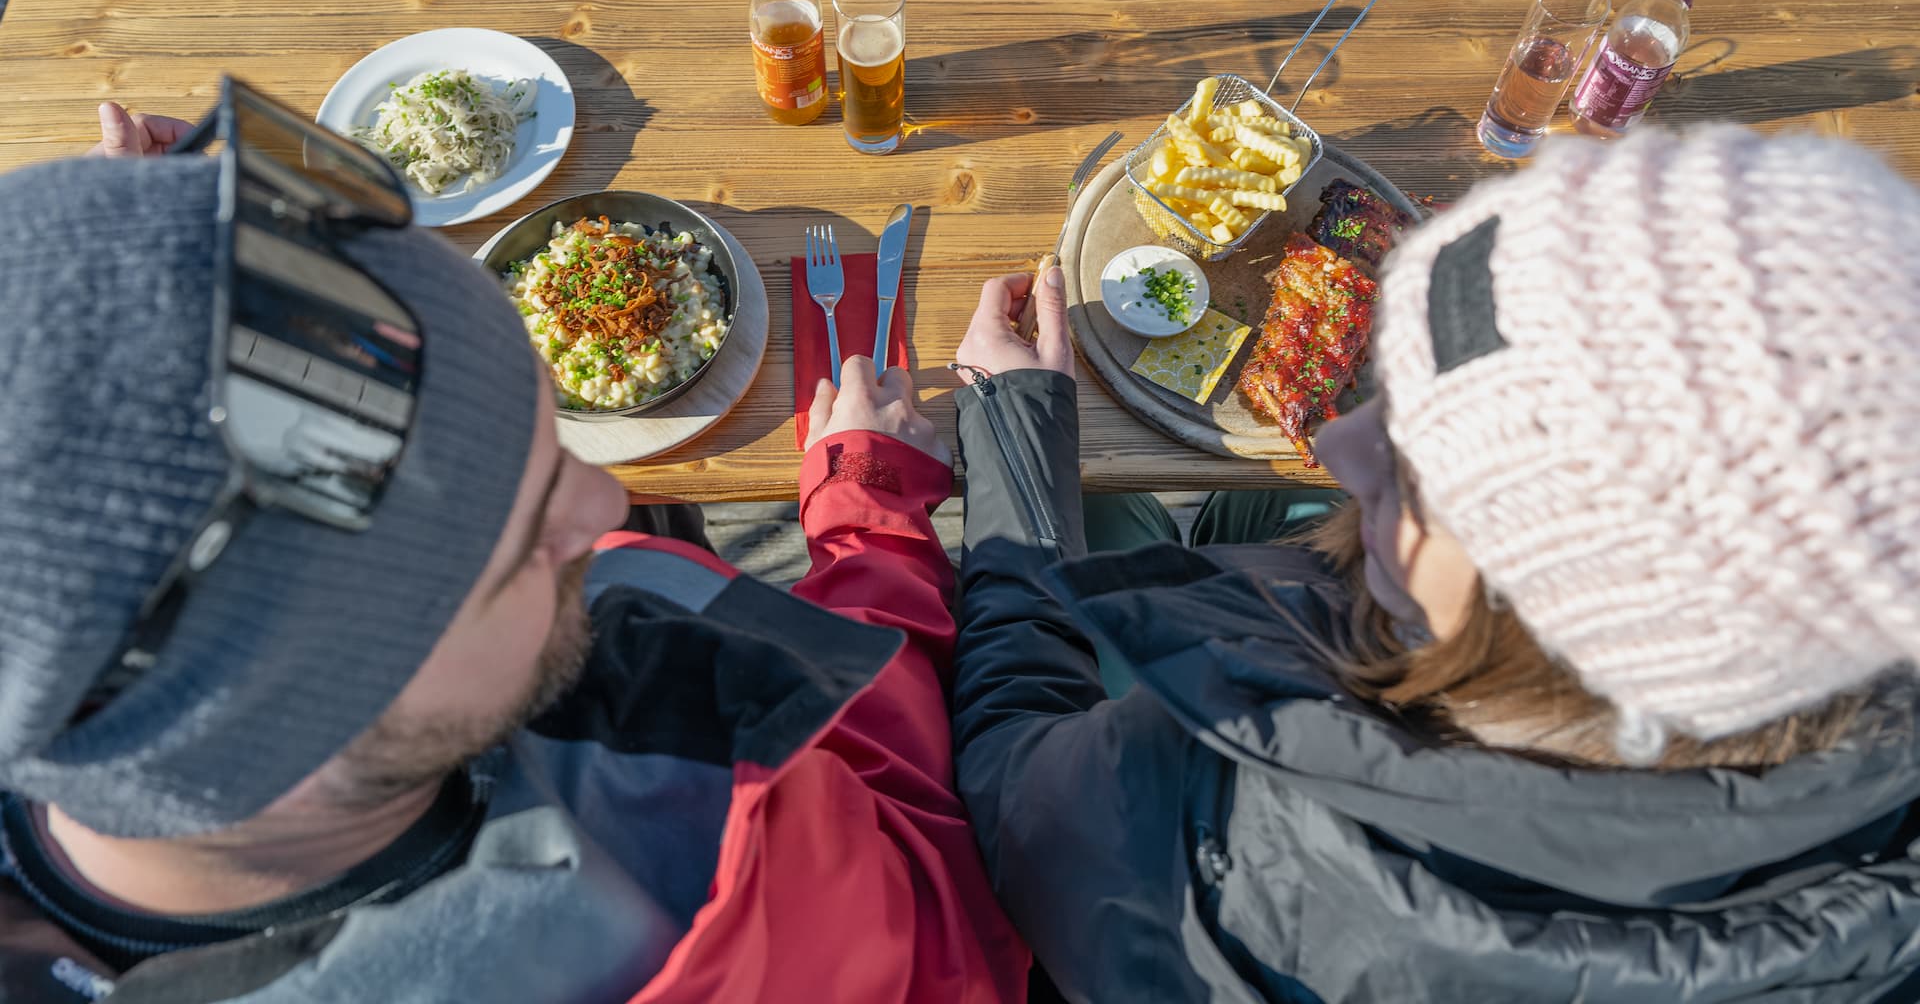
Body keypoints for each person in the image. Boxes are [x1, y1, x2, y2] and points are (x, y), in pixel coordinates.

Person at [0, 102, 1027, 1001]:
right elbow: (939, 873)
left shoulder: (65, 668)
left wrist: (138, 309)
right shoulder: (718, 886)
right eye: (521, 534)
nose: (605, 500)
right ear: (282, 712)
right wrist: (872, 509)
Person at [947, 124, 1920, 1002]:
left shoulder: (1238, 828)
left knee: (1111, 521)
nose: (1340, 446)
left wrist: (1017, 439)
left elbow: (1007, 788)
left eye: (1419, 473)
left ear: (1561, 616)